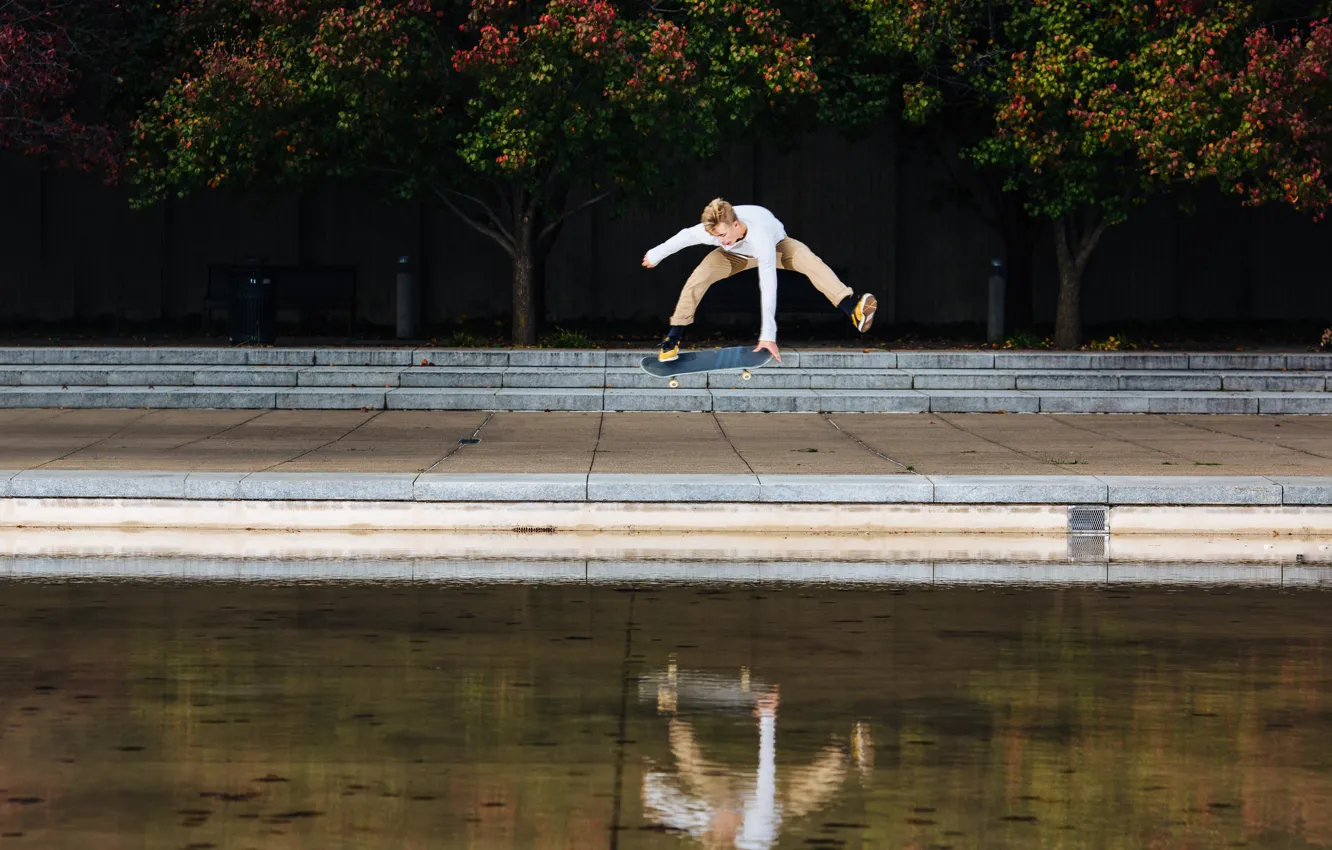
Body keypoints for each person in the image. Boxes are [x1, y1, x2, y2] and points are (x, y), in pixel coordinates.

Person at [642, 198, 877, 363]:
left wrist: (767, 336)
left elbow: (768, 284)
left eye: (723, 234)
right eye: (715, 236)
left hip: (776, 249)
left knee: (807, 259)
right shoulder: (715, 232)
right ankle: (673, 338)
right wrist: (655, 254)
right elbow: (683, 237)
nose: (720, 239)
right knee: (699, 276)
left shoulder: (761, 234)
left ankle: (852, 309)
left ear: (736, 224)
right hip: (734, 256)